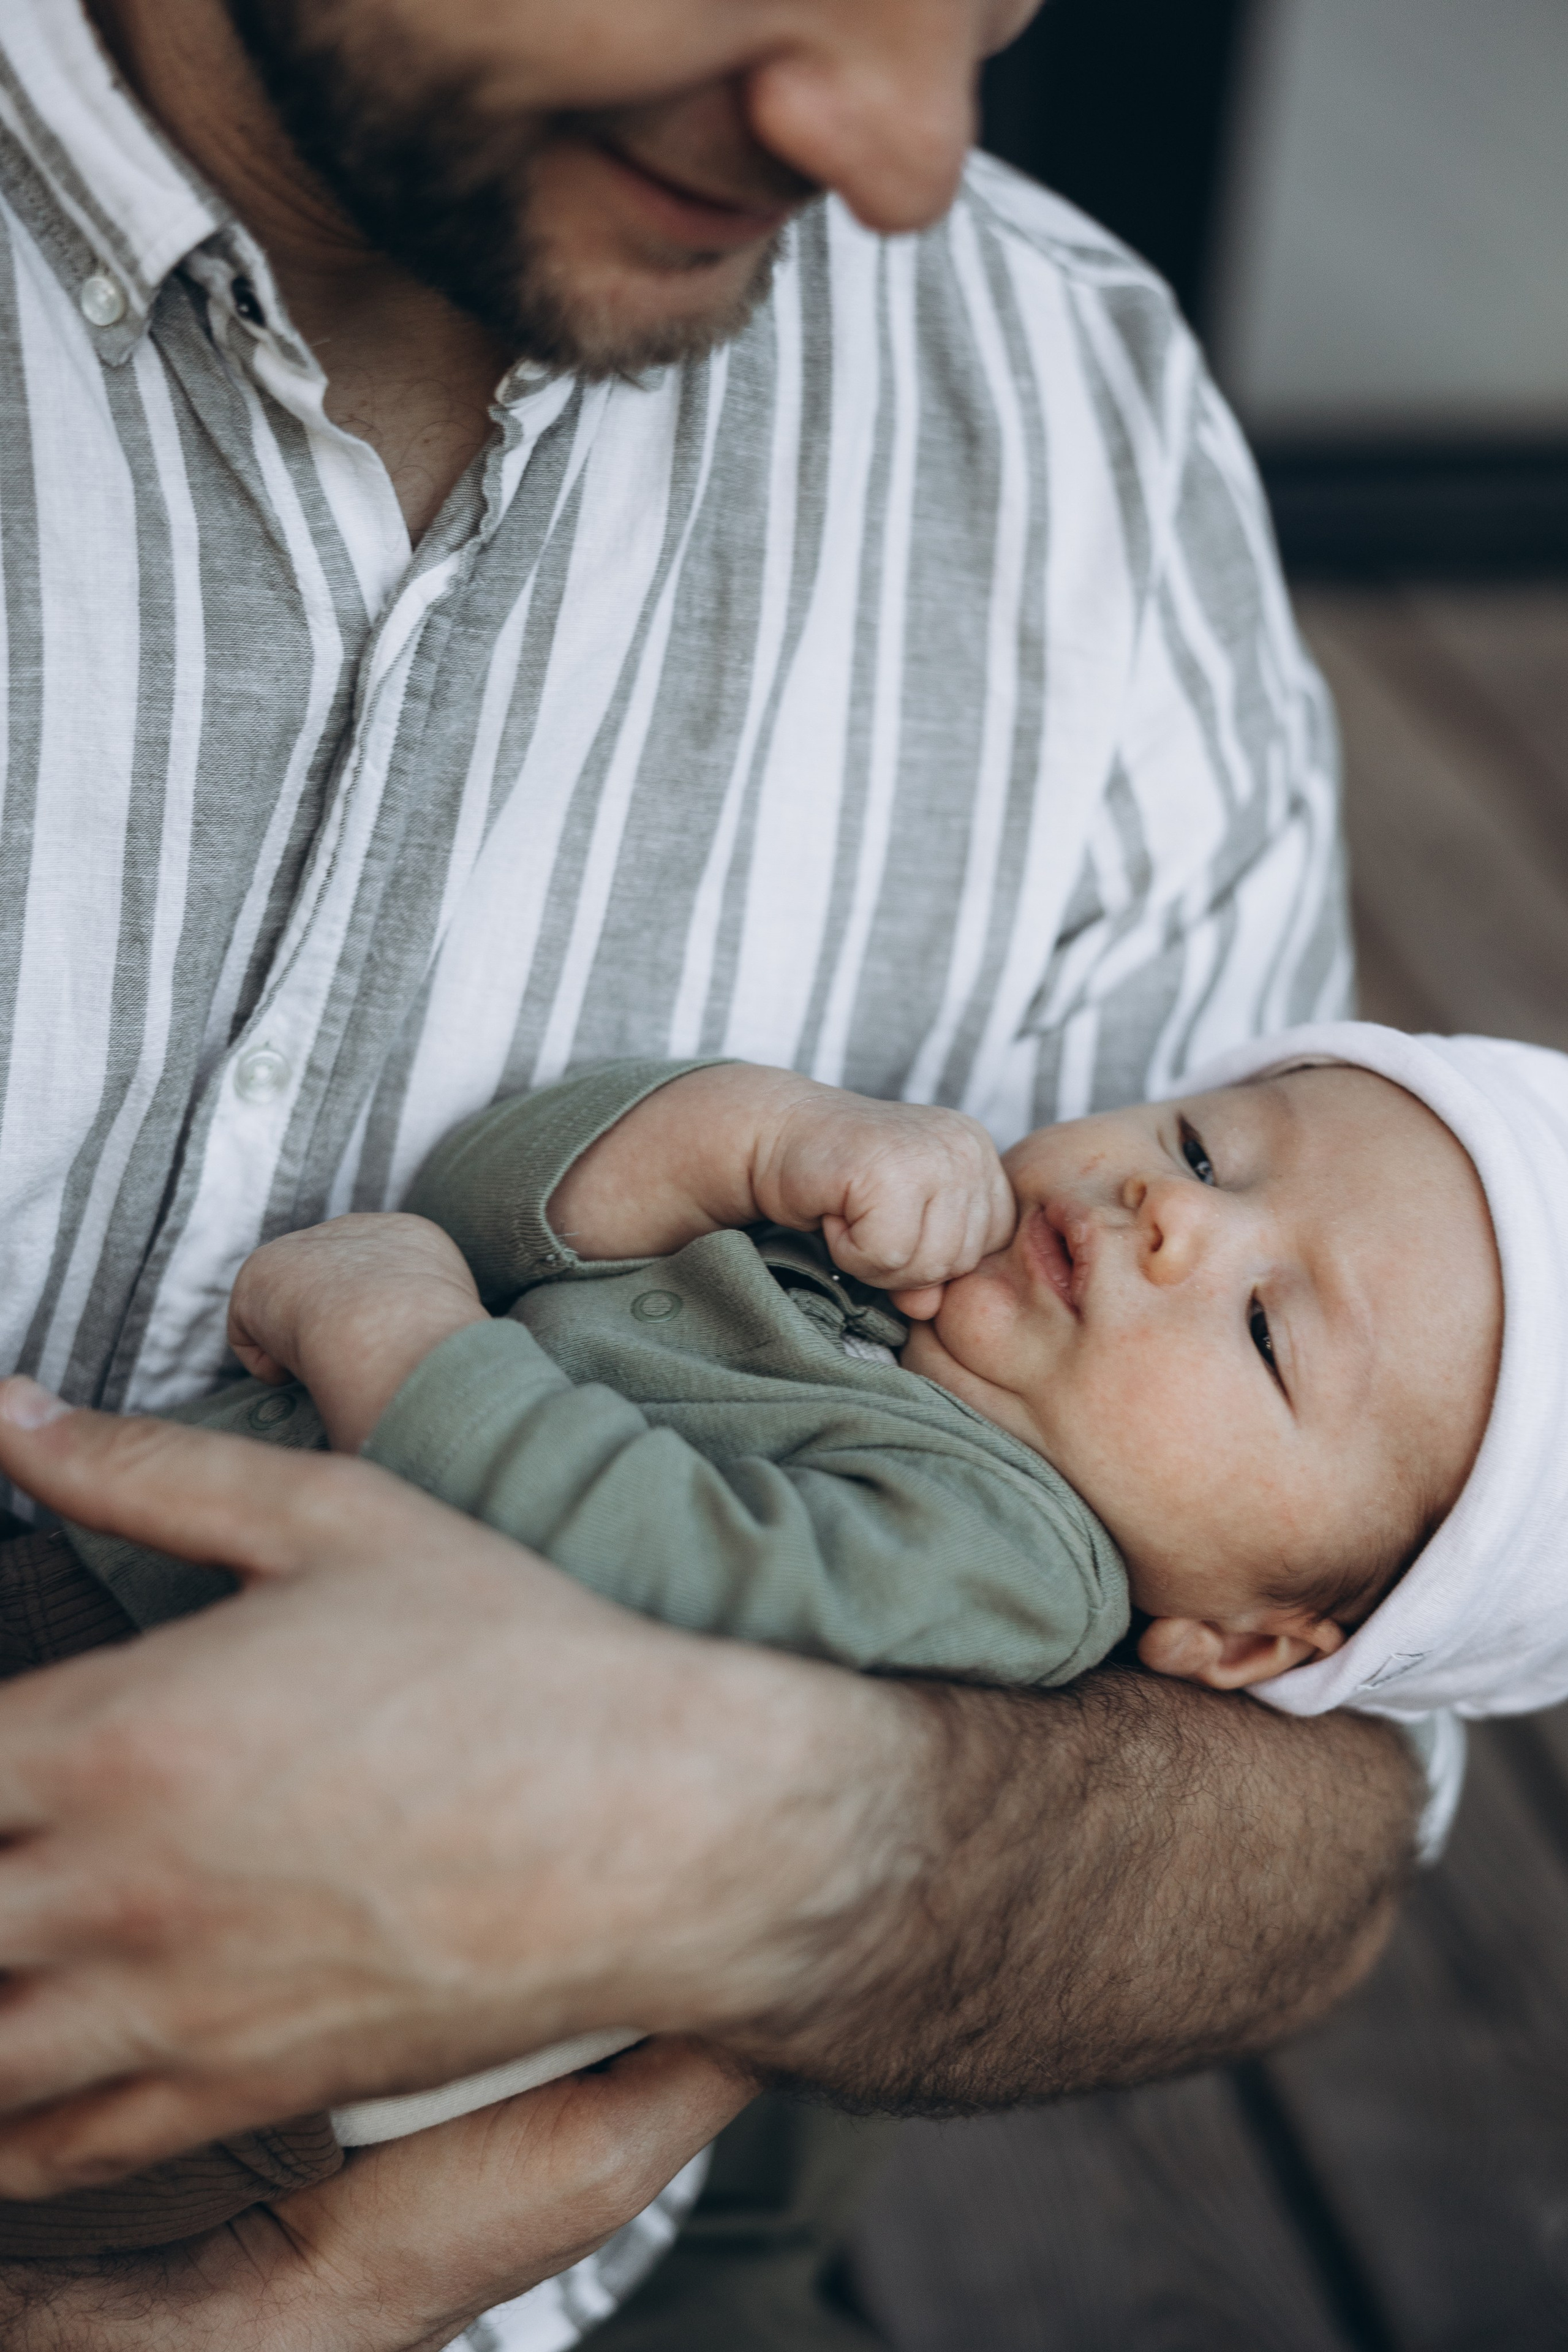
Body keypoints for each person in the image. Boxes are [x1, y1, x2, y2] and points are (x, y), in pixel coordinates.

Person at [0, 0, 1432, 2343]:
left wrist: (739, 1841)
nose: (901, 151)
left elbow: (1329, 1821)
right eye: (1198, 1142)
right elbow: (530, 1198)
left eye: (990, 0)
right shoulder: (915, 1268)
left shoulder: (1066, 417)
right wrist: (725, 1144)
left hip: (325, 2164)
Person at [3, 1016, 1528, 2272]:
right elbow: (491, 1214)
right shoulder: (871, 1265)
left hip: (192, 1952)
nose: (1178, 1216)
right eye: (1203, 1144)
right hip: (110, 1630)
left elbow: (645, 1593)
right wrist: (747, 1134)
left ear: (1251, 1638)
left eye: (1269, 1332)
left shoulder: (1010, 1567)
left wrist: (388, 1331)